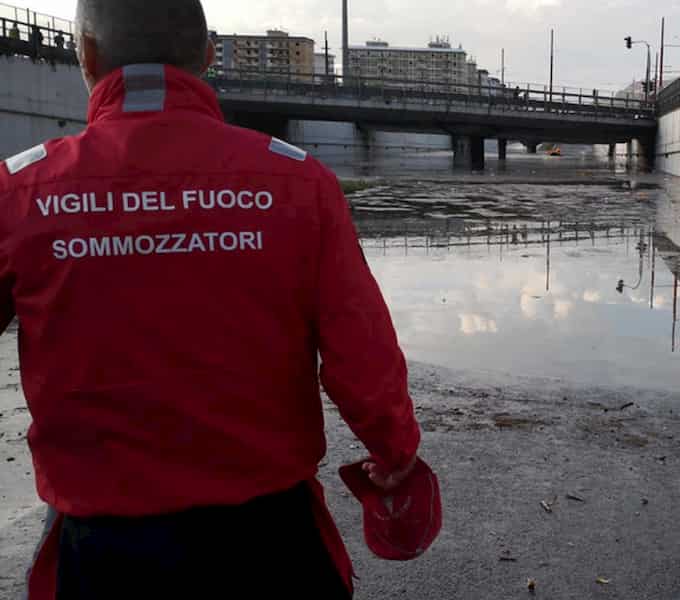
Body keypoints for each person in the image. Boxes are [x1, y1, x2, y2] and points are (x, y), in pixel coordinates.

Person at [1, 1, 424, 598]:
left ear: (88, 57)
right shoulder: (301, 185)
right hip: (271, 543)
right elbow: (364, 357)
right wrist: (396, 452)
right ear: (205, 56)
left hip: (102, 552)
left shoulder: (21, 193)